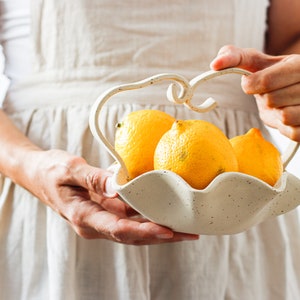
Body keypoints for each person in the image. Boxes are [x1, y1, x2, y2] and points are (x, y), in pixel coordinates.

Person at [0, 0, 300, 299]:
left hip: (236, 190)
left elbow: (289, 39)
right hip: (46, 178)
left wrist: (288, 81)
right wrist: (28, 165)